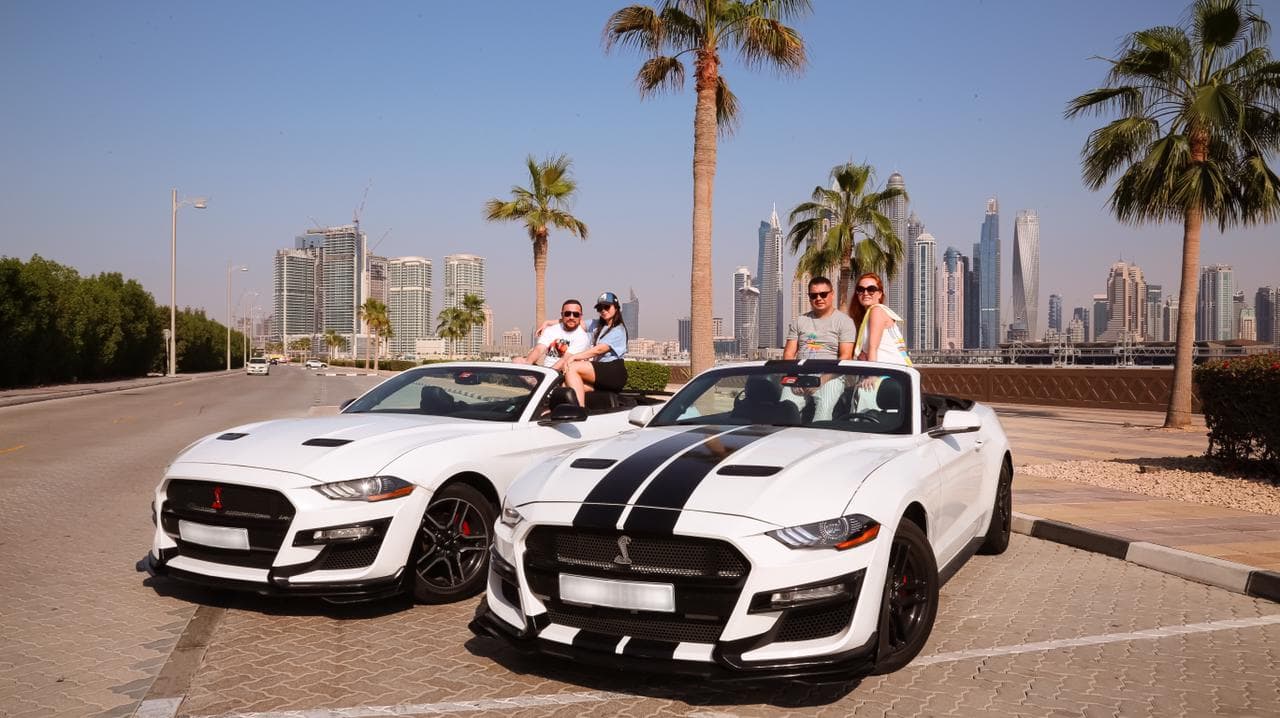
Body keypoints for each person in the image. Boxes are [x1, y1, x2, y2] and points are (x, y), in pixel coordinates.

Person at [782, 276, 857, 420]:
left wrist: (822, 380)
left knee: (823, 415)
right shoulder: (800, 321)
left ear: (832, 294)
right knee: (784, 410)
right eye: (814, 295)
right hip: (800, 375)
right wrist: (793, 377)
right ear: (809, 297)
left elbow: (846, 356)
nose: (819, 298)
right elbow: (789, 354)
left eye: (823, 294)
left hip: (830, 376)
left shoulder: (844, 322)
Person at [848, 272, 911, 412]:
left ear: (879, 294)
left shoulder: (876, 310)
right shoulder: (869, 315)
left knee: (865, 410)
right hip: (893, 373)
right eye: (860, 289)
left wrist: (872, 375)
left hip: (887, 374)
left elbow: (873, 347)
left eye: (871, 289)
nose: (865, 293)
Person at [557, 291, 628, 407]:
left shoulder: (619, 330)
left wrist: (574, 357)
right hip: (599, 373)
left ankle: (579, 410)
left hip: (613, 371)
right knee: (565, 386)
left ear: (616, 308)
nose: (603, 310)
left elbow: (598, 350)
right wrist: (548, 323)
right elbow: (573, 321)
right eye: (600, 308)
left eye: (607, 307)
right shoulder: (596, 324)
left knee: (572, 367)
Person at [513, 299, 591, 368]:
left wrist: (549, 375)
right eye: (567, 313)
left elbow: (565, 360)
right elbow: (539, 349)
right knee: (517, 361)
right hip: (547, 369)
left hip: (564, 372)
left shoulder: (582, 337)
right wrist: (527, 363)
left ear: (580, 316)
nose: (571, 317)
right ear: (562, 315)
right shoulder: (551, 330)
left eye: (576, 314)